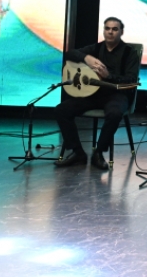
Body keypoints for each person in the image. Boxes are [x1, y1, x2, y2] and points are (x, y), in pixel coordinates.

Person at [54, 17, 140, 170]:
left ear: (121, 32)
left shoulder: (130, 53)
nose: (110, 32)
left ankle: (98, 153)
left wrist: (109, 76)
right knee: (61, 110)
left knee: (115, 113)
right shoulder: (96, 48)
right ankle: (78, 153)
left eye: (114, 29)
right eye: (107, 28)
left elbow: (131, 79)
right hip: (93, 94)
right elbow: (70, 54)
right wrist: (86, 58)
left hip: (117, 95)